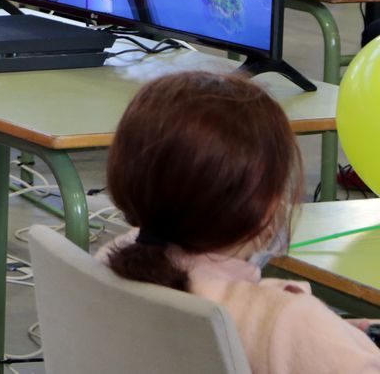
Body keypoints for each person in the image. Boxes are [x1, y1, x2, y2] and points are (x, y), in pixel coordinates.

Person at [101, 70, 380, 373]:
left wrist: (333, 335)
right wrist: (322, 334)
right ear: (260, 203)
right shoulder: (288, 321)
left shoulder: (112, 258)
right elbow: (279, 329)